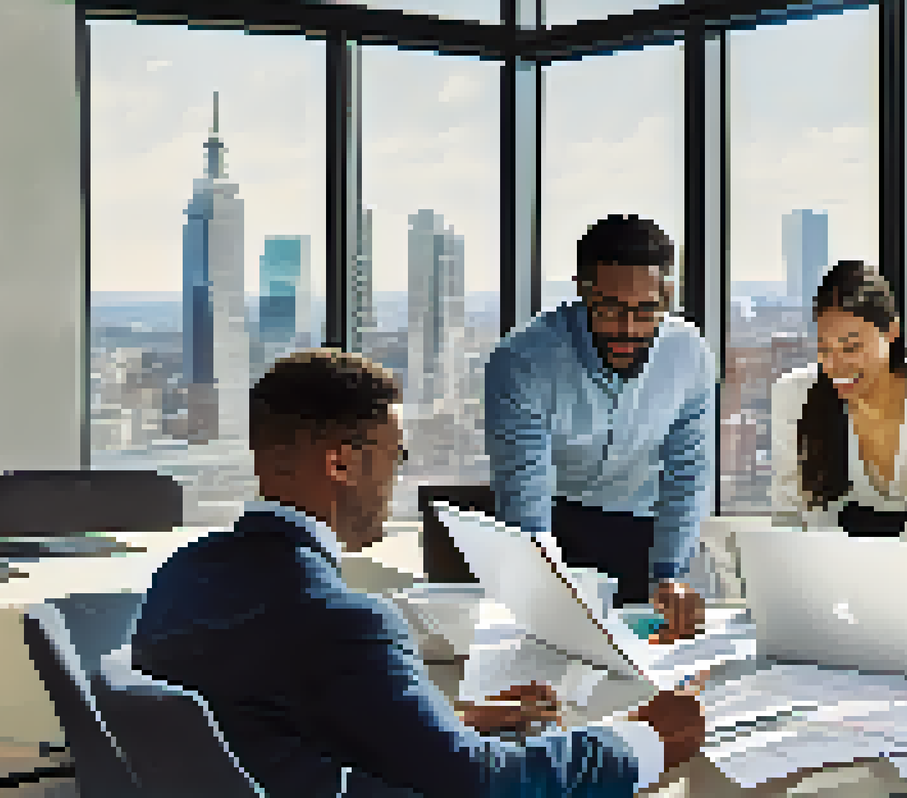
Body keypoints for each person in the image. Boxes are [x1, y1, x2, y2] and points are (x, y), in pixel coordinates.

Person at [130, 350, 706, 797]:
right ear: (341, 463)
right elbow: (486, 785)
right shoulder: (340, 622)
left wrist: (449, 720)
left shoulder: (183, 573)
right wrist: (645, 737)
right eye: (395, 456)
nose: (395, 480)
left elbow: (271, 719)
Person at [486, 214, 712, 637]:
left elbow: (688, 473)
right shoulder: (523, 360)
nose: (628, 329)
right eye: (610, 309)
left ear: (668, 296)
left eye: (647, 311)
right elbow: (524, 489)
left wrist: (671, 573)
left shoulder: (688, 353)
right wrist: (541, 587)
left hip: (647, 528)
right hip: (558, 523)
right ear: (582, 290)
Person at [769, 260, 907, 562]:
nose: (835, 365)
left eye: (851, 348)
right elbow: (791, 506)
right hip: (856, 535)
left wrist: (895, 576)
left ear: (892, 332)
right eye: (824, 349)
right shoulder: (794, 394)